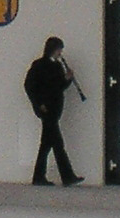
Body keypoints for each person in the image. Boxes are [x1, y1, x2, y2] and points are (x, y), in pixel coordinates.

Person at [23, 35, 81, 186]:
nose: (60, 53)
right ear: (52, 49)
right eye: (58, 50)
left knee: (47, 144)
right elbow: (29, 86)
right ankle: (67, 176)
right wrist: (38, 103)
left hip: (55, 108)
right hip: (46, 109)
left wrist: (68, 79)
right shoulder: (39, 65)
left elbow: (59, 87)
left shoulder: (57, 66)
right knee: (58, 144)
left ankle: (38, 176)